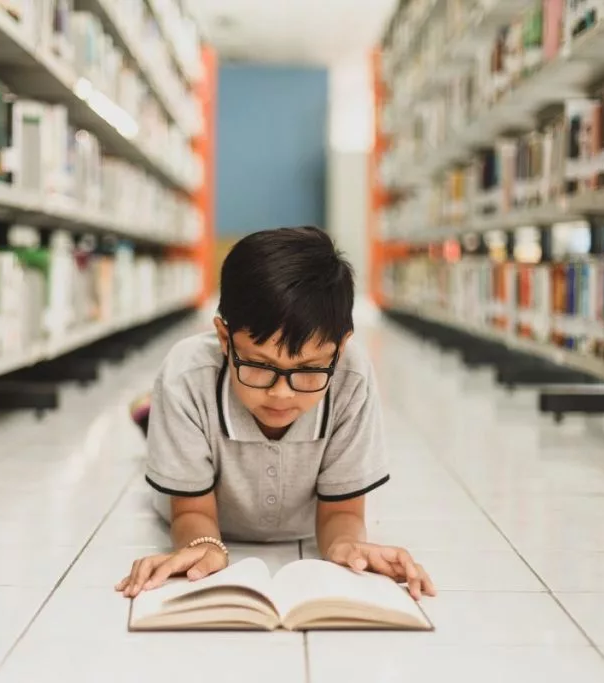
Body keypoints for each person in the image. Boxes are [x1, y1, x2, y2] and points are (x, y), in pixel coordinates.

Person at [116, 226, 435, 601]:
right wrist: (202, 544)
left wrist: (348, 546)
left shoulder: (352, 375)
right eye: (258, 365)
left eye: (309, 369)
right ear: (223, 338)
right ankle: (154, 417)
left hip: (304, 521)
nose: (281, 393)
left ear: (341, 347)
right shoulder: (185, 374)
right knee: (168, 424)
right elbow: (190, 511)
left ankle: (154, 416)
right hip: (200, 500)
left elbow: (341, 514)